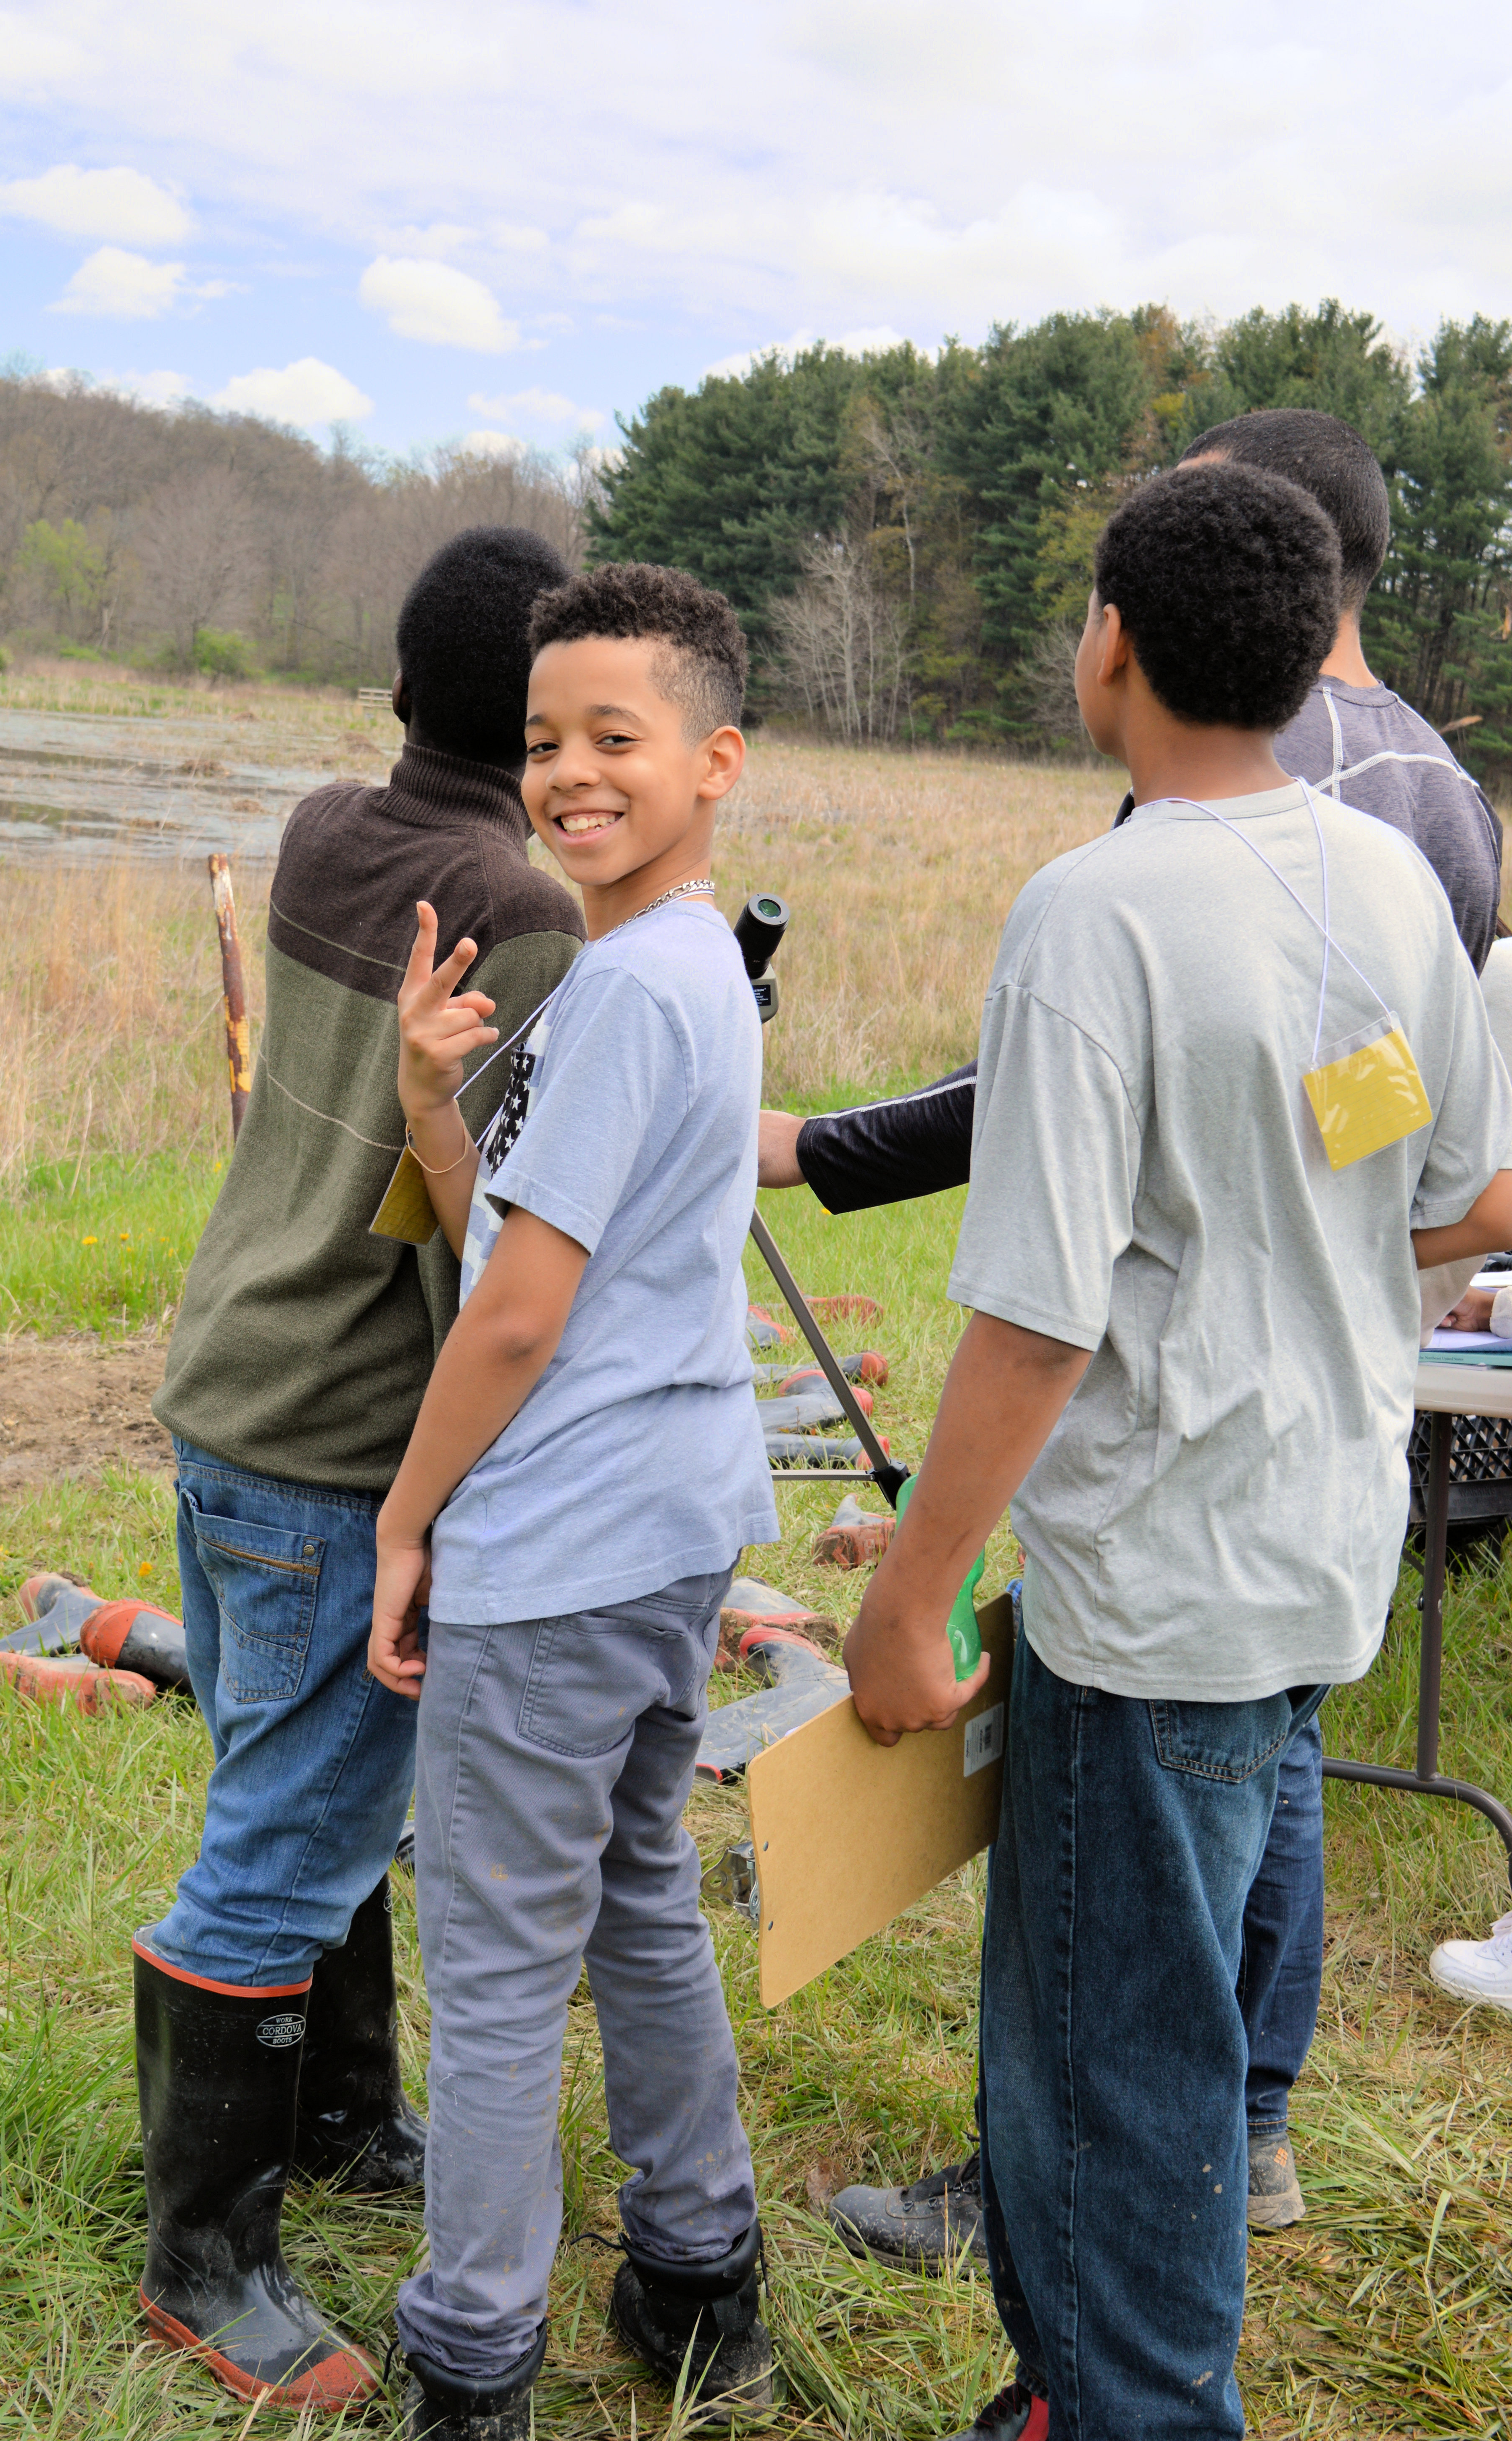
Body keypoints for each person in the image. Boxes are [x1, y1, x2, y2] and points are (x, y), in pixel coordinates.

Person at [761, 407, 1507, 2261]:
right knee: (1250, 1827)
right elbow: (1446, 1182)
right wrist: (1304, 1262)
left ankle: (1125, 2298)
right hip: (1319, 1529)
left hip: (1162, 1566)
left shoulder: (1111, 898)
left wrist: (913, 1588)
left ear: (1115, 636)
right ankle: (1228, 2155)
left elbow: (1044, 1303)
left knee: (1111, 2034)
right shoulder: (1417, 837)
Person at [134, 527, 586, 2409]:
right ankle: (203, 2260)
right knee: (290, 1835)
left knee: (307, 1777)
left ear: (398, 692)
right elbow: (502, 1239)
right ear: (546, 728)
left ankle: (338, 2115)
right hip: (340, 1438)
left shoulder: (323, 829)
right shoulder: (524, 912)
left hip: (231, 1382)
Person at [367, 561, 779, 2441]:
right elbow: (525, 1236)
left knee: (498, 1964)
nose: (570, 775)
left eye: (617, 736)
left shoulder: (626, 989)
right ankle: (700, 2274)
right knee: (638, 1894)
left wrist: (408, 1518)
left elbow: (518, 1315)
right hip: (673, 1527)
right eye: (544, 742)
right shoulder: (689, 967)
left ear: (715, 760)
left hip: (558, 1556)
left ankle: (473, 2357)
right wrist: (432, 1106)